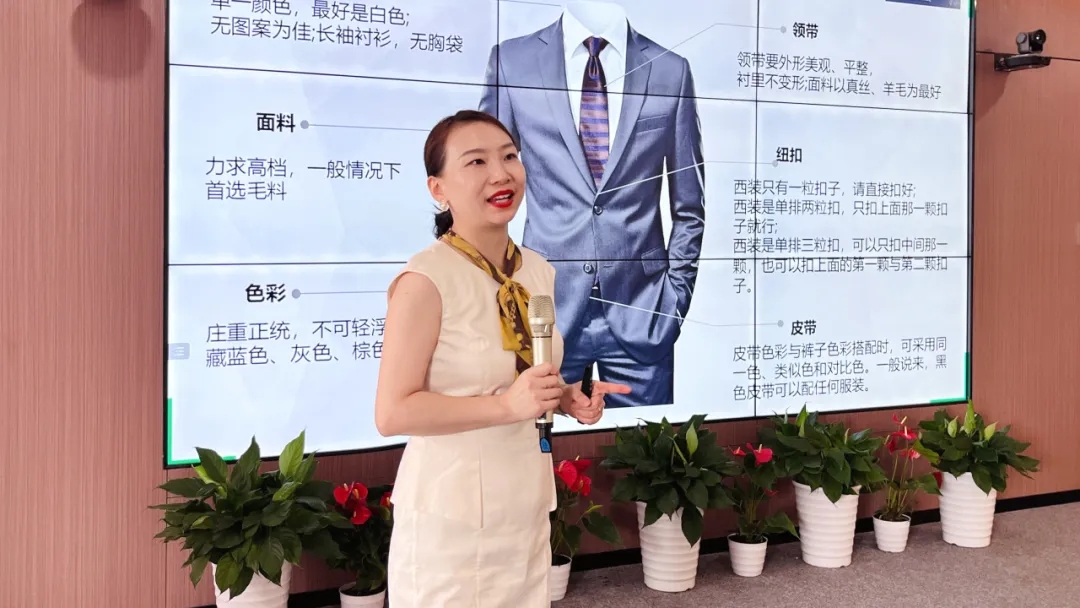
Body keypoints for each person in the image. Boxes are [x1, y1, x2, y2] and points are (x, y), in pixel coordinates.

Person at [374, 109, 632, 607]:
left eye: (509, 157)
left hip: (524, 505)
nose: (501, 174)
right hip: (450, 520)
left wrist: (566, 398)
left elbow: (522, 377)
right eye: (476, 162)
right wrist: (506, 407)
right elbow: (392, 413)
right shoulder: (425, 280)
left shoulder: (536, 271)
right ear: (438, 189)